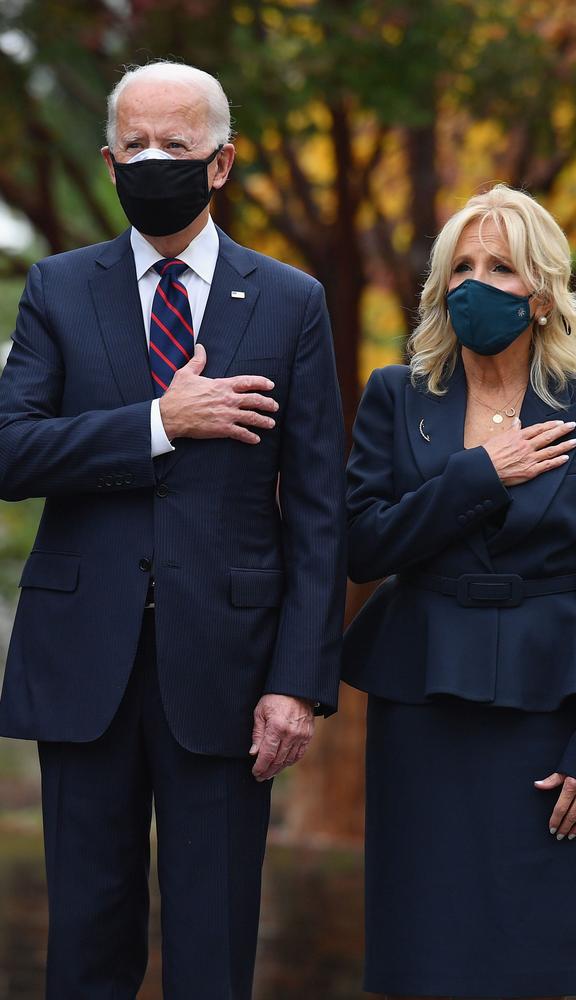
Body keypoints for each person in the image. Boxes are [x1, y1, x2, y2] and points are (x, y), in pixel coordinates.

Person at [0, 60, 346, 999]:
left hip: (231, 675)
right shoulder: (58, 290)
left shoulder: (290, 302)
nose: (155, 159)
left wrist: (299, 683)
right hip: (83, 665)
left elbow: (319, 511)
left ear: (222, 162)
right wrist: (161, 422)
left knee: (212, 948)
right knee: (85, 946)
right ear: (110, 160)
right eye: (136, 145)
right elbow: (11, 454)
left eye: (177, 145)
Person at [342, 184, 576, 1000]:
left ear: (540, 293)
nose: (475, 283)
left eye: (500, 267)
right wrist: (480, 475)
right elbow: (363, 547)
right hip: (422, 696)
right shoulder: (395, 395)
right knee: (423, 944)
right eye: (461, 266)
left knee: (537, 950)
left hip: (549, 713)